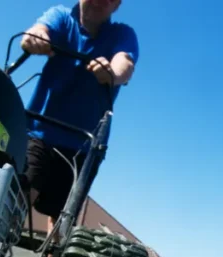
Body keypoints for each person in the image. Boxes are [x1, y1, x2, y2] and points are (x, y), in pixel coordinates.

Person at [19, 0, 139, 233]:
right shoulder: (62, 17)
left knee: (63, 216)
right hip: (40, 131)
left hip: (85, 145)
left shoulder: (122, 33)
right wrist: (35, 38)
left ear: (117, 5)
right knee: (21, 192)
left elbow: (125, 63)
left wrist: (112, 73)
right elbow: (40, 30)